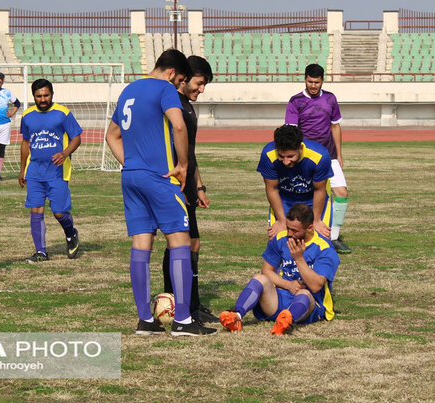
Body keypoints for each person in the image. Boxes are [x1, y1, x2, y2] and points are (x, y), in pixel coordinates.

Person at [105, 49, 216, 336]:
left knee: (141, 245)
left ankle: (145, 320)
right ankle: (183, 321)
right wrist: (181, 166)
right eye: (180, 79)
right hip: (161, 177)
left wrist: (130, 164)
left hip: (131, 178)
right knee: (180, 241)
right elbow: (178, 126)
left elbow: (111, 135)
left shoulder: (129, 90)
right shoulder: (165, 89)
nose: (179, 85)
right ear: (171, 73)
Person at [219, 203, 339, 335]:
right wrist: (288, 284)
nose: (289, 233)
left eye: (295, 231)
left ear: (310, 228)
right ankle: (236, 315)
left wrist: (299, 259)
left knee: (304, 294)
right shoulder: (281, 238)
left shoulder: (324, 249)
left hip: (311, 304)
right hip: (281, 296)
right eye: (288, 228)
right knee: (259, 278)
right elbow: (266, 271)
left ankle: (286, 322)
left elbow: (316, 286)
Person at [161, 55, 217, 323]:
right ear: (185, 77)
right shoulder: (173, 105)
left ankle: (187, 301)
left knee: (190, 243)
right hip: (173, 184)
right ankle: (178, 302)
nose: (201, 89)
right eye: (199, 83)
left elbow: (189, 154)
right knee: (181, 243)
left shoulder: (187, 107)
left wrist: (199, 186)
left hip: (188, 185)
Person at [285, 63, 352, 254]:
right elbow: (291, 132)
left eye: (316, 82)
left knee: (341, 193)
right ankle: (300, 234)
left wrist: (338, 155)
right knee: (306, 196)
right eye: (310, 82)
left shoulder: (330, 99)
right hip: (306, 159)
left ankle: (334, 237)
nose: (313, 85)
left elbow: (335, 127)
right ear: (304, 80)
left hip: (329, 157)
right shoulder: (296, 101)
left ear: (322, 81)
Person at [19, 79, 81, 263]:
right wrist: (22, 170)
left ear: (52, 94)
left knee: (59, 212)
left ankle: (71, 234)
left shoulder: (63, 113)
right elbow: (25, 143)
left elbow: (76, 138)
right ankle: (41, 252)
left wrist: (65, 153)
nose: (43, 99)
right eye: (39, 96)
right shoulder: (27, 115)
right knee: (36, 211)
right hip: (35, 173)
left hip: (57, 172)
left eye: (46, 95)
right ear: (34, 97)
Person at [257, 124, 333, 243]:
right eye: (281, 156)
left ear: (301, 149)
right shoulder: (268, 155)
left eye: (290, 156)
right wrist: (282, 221)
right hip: (284, 199)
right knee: (279, 241)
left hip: (313, 199)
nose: (286, 162)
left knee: (318, 241)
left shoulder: (320, 156)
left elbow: (319, 190)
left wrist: (316, 221)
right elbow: (272, 189)